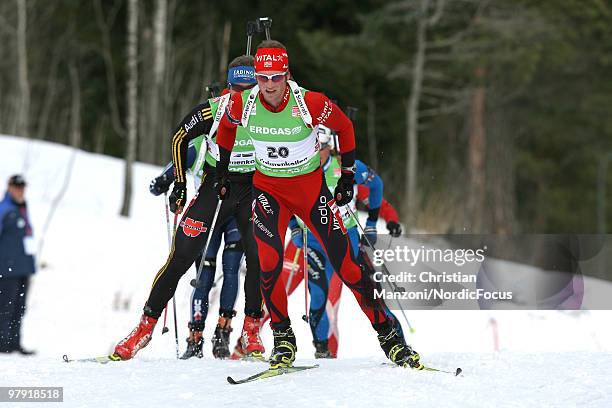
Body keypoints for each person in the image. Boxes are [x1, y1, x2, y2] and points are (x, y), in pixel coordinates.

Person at [214, 40, 422, 369]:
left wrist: (347, 177)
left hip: (311, 193)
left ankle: (389, 337)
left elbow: (345, 127)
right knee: (267, 263)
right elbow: (226, 128)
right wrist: (223, 169)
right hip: (269, 191)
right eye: (263, 77)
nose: (269, 85)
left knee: (350, 267)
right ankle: (284, 339)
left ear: (287, 75)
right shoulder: (242, 103)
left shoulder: (310, 102)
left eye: (276, 77)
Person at [113, 56, 266, 361]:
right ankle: (145, 327)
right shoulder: (216, 108)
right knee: (181, 255)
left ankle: (250, 328)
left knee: (259, 254)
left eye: (250, 90)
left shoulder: (270, 111)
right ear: (229, 86)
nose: (243, 96)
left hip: (252, 189)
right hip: (216, 186)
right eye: (237, 88)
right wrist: (180, 183)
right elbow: (180, 136)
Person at [286, 125, 406, 358]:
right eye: (310, 147)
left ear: (329, 148)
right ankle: (322, 349)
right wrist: (294, 229)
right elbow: (282, 196)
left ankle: (398, 342)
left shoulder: (345, 168)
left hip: (345, 238)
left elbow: (376, 185)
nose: (314, 153)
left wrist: (371, 223)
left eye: (319, 148)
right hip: (315, 241)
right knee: (318, 294)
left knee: (368, 292)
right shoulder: (296, 169)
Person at [149, 140, 244, 359]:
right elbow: (178, 164)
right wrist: (164, 181)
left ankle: (223, 332)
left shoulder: (246, 133)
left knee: (231, 268)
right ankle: (195, 339)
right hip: (209, 215)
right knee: (204, 274)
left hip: (235, 217)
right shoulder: (202, 140)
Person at [0, 175, 36, 355]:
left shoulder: (22, 208)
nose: (20, 190)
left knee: (19, 307)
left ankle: (15, 342)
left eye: (23, 186)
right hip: (6, 269)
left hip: (23, 267)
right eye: (17, 186)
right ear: (9, 187)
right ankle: (3, 343)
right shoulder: (4, 209)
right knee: (5, 307)